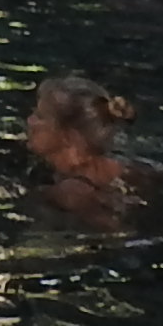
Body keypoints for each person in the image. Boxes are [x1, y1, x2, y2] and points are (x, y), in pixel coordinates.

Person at [23, 74, 134, 223]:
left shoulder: (70, 193)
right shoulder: (121, 170)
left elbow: (115, 230)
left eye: (40, 116)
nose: (30, 121)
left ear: (69, 137)